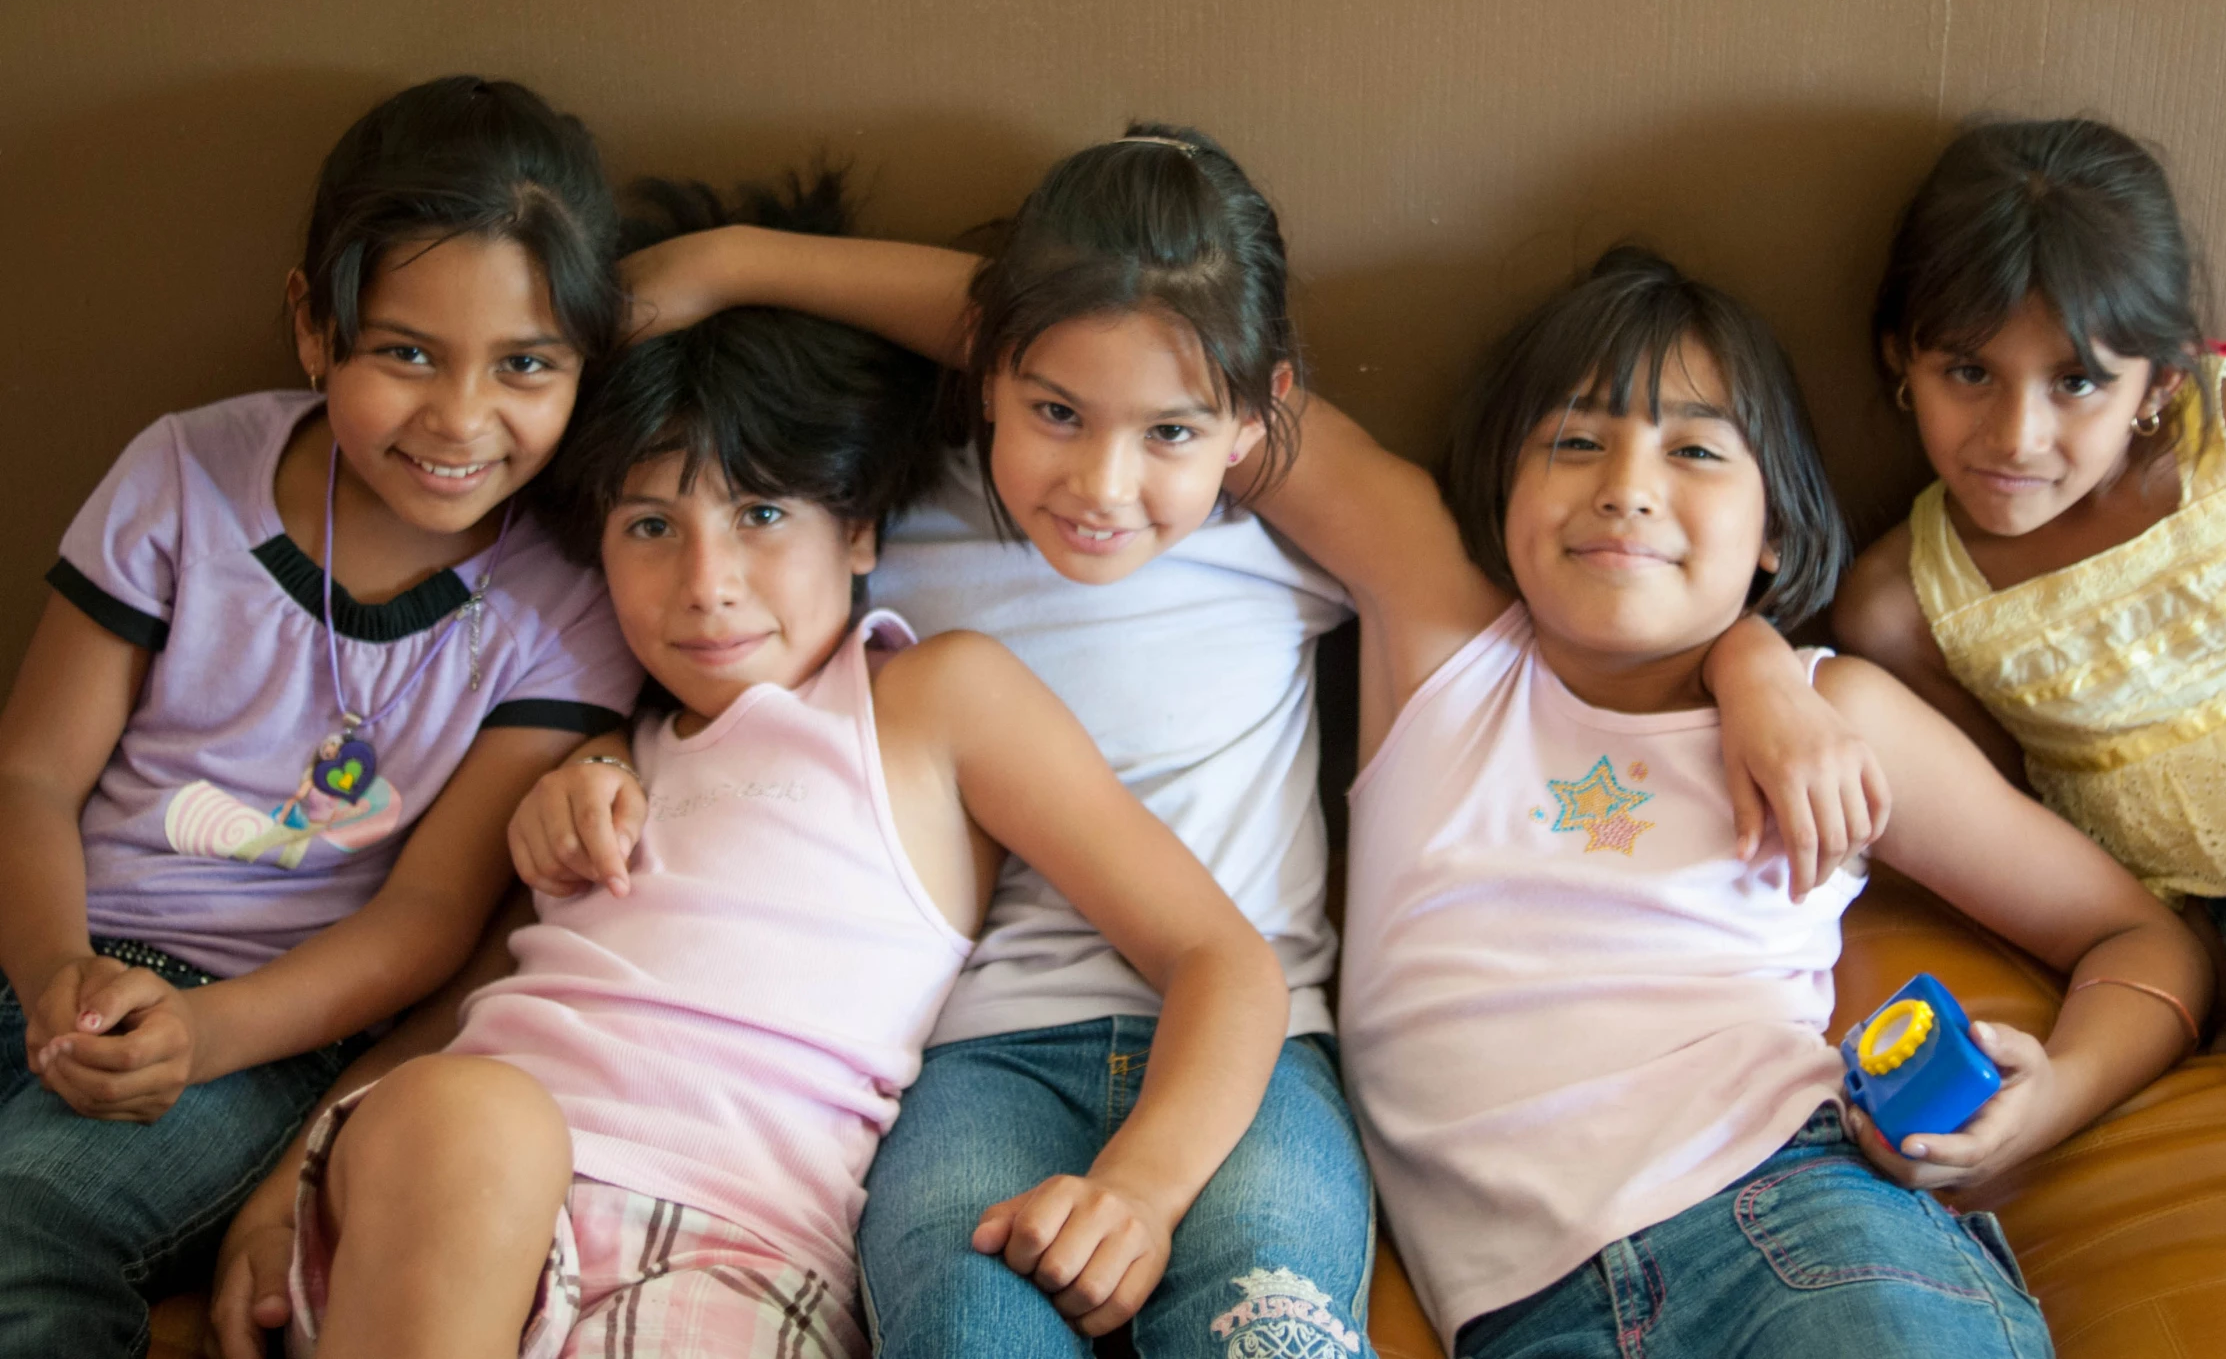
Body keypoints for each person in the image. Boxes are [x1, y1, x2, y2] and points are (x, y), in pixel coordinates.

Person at [536, 130, 1885, 1355]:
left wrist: (1751, 660)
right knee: (961, 1333)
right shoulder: (892, 528)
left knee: (1269, 1331)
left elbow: (1608, 604)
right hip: (977, 1058)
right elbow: (721, 680)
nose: (1100, 488)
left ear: (1249, 420)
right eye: (1051, 413)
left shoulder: (1281, 531)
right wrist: (595, 758)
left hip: (1253, 1052)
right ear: (987, 374)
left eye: (1169, 431)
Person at [273, 217, 1288, 1358]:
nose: (708, 587)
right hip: (452, 1202)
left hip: (737, 1245)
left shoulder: (927, 702)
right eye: (651, 526)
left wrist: (1140, 1188)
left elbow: (1226, 961)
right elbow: (463, 989)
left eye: (760, 517)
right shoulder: (598, 740)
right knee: (477, 1113)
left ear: (859, 528)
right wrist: (284, 1183)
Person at [1256, 246, 2208, 1358]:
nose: (1626, 484)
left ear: (1773, 537)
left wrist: (2048, 1103)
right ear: (1502, 494)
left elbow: (2139, 933)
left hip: (1798, 1231)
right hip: (1520, 1319)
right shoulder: (1444, 651)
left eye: (1696, 448)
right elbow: (1220, 394)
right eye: (1574, 440)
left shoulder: (1839, 715)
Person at [0, 75, 643, 1356]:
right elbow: (29, 776)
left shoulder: (563, 595)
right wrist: (52, 976)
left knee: (23, 1232)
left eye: (525, 365)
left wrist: (199, 1034)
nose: (461, 418)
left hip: (257, 1022)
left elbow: (428, 919)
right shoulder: (186, 473)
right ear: (313, 326)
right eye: (407, 351)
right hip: (47, 943)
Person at [1834, 117, 2226, 1127]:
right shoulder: (1905, 606)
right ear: (1903, 359)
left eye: (2076, 381)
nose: (2015, 436)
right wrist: (2203, 953)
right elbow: (2024, 825)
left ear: (2159, 378)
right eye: (1968, 372)